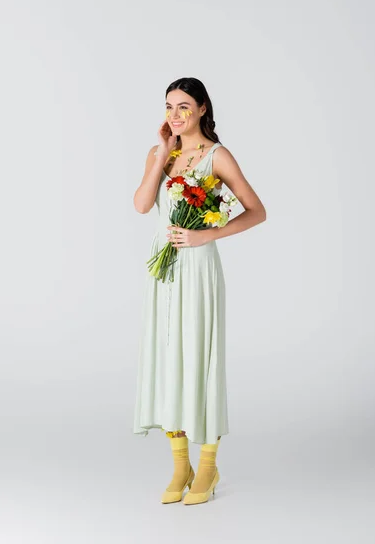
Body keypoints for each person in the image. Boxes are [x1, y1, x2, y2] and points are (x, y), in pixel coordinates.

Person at [133, 76, 266, 505]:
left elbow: (256, 211)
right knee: (167, 359)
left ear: (203, 108)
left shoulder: (216, 156)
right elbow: (140, 205)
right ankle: (179, 466)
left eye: (184, 106)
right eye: (169, 106)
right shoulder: (161, 153)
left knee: (199, 361)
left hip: (199, 268)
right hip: (164, 272)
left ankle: (207, 466)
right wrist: (161, 155)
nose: (175, 114)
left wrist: (210, 236)